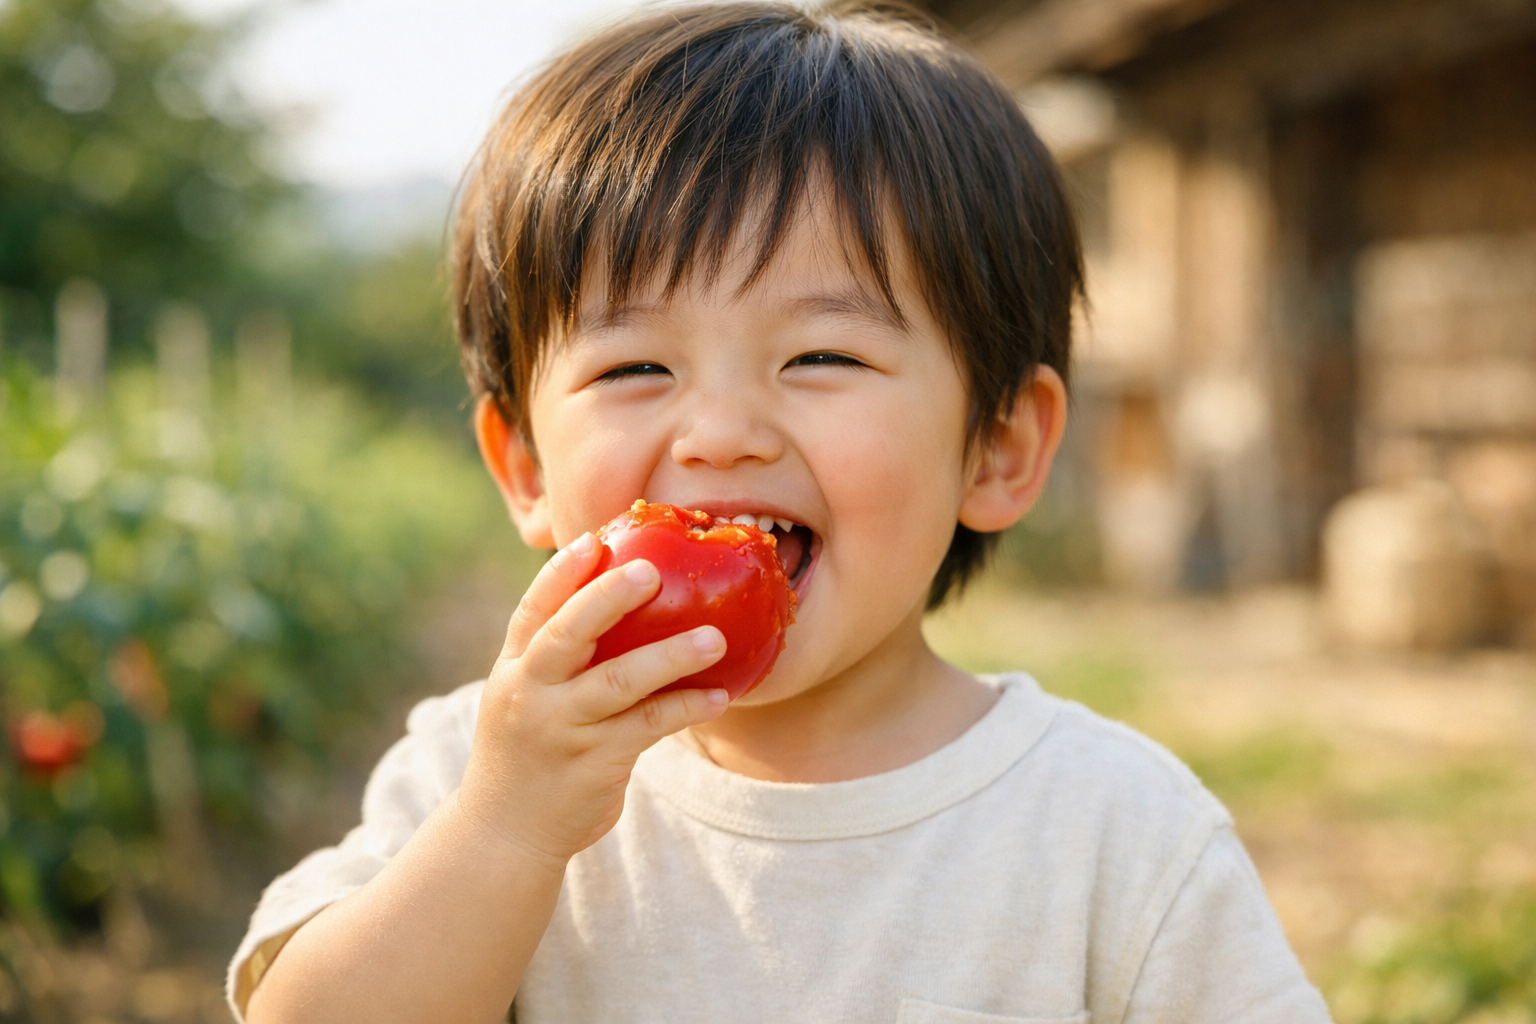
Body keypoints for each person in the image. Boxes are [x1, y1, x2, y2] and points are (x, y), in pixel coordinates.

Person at [229, 3, 1334, 1021]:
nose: (720, 430)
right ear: (521, 464)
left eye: (820, 353)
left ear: (997, 448)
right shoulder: (478, 774)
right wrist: (511, 827)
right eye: (634, 368)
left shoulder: (1111, 830)